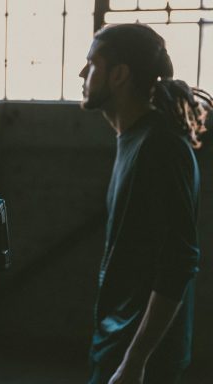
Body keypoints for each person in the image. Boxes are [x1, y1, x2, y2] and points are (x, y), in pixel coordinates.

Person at [79, 24, 212, 384]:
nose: (82, 72)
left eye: (92, 64)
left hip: (143, 356)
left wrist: (136, 360)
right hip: (116, 339)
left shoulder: (161, 147)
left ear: (120, 74)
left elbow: (179, 261)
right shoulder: (135, 139)